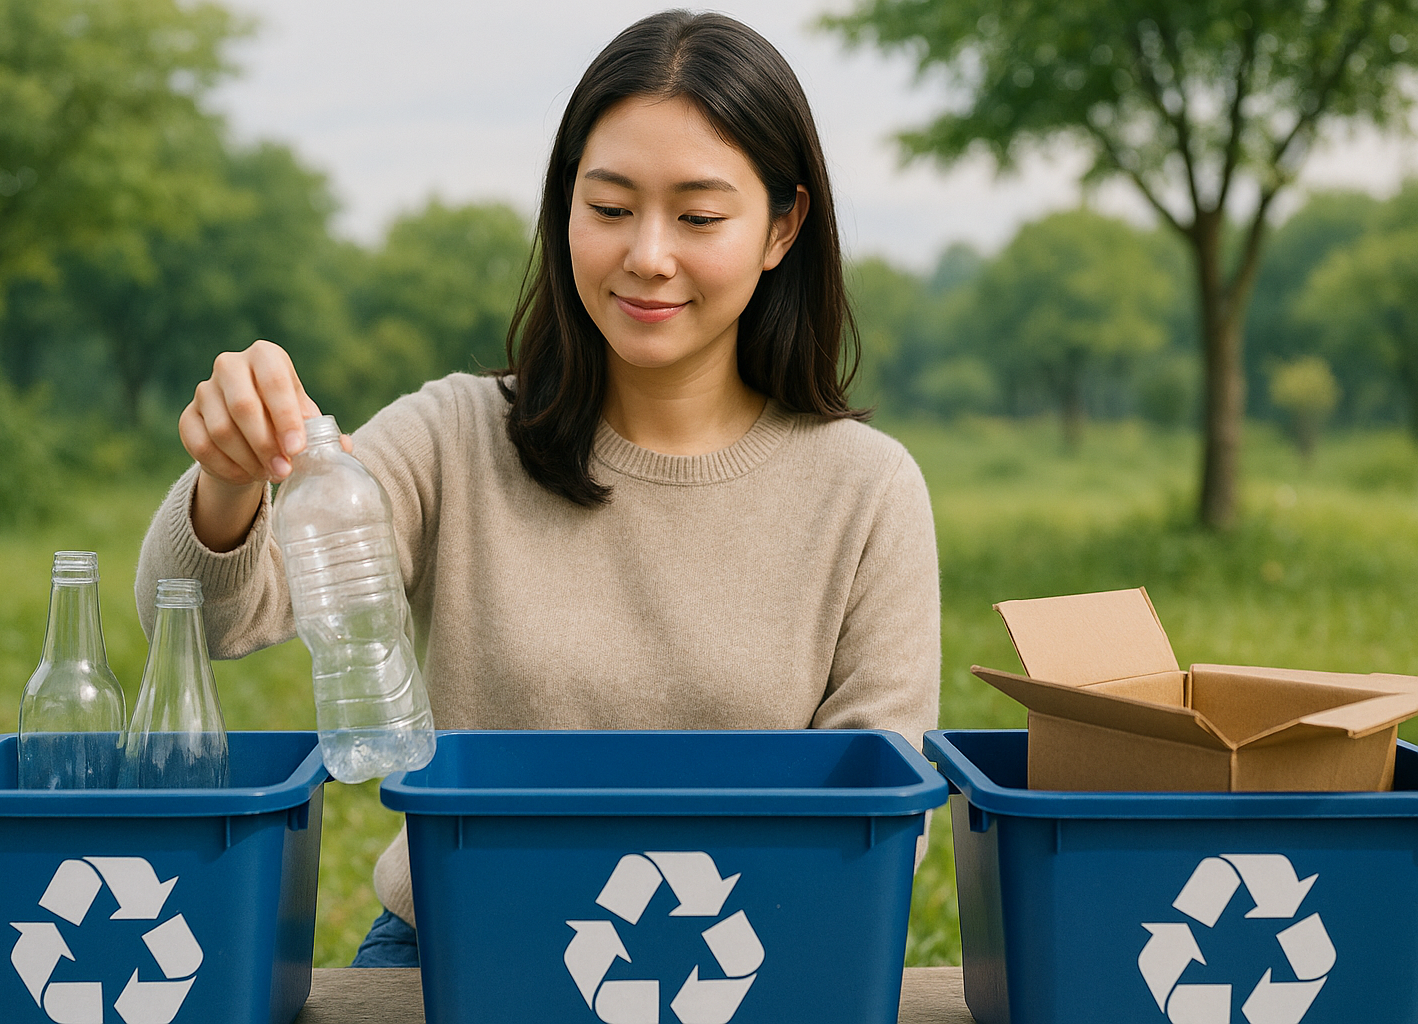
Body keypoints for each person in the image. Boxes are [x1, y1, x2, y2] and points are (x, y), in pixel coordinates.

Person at [135, 9, 939, 969]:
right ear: (565, 210)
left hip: (739, 961)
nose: (647, 254)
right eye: (608, 208)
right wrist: (229, 479)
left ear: (783, 227)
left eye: (698, 215)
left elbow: (878, 816)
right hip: (457, 952)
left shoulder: (865, 490)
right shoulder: (455, 436)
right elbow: (214, 621)